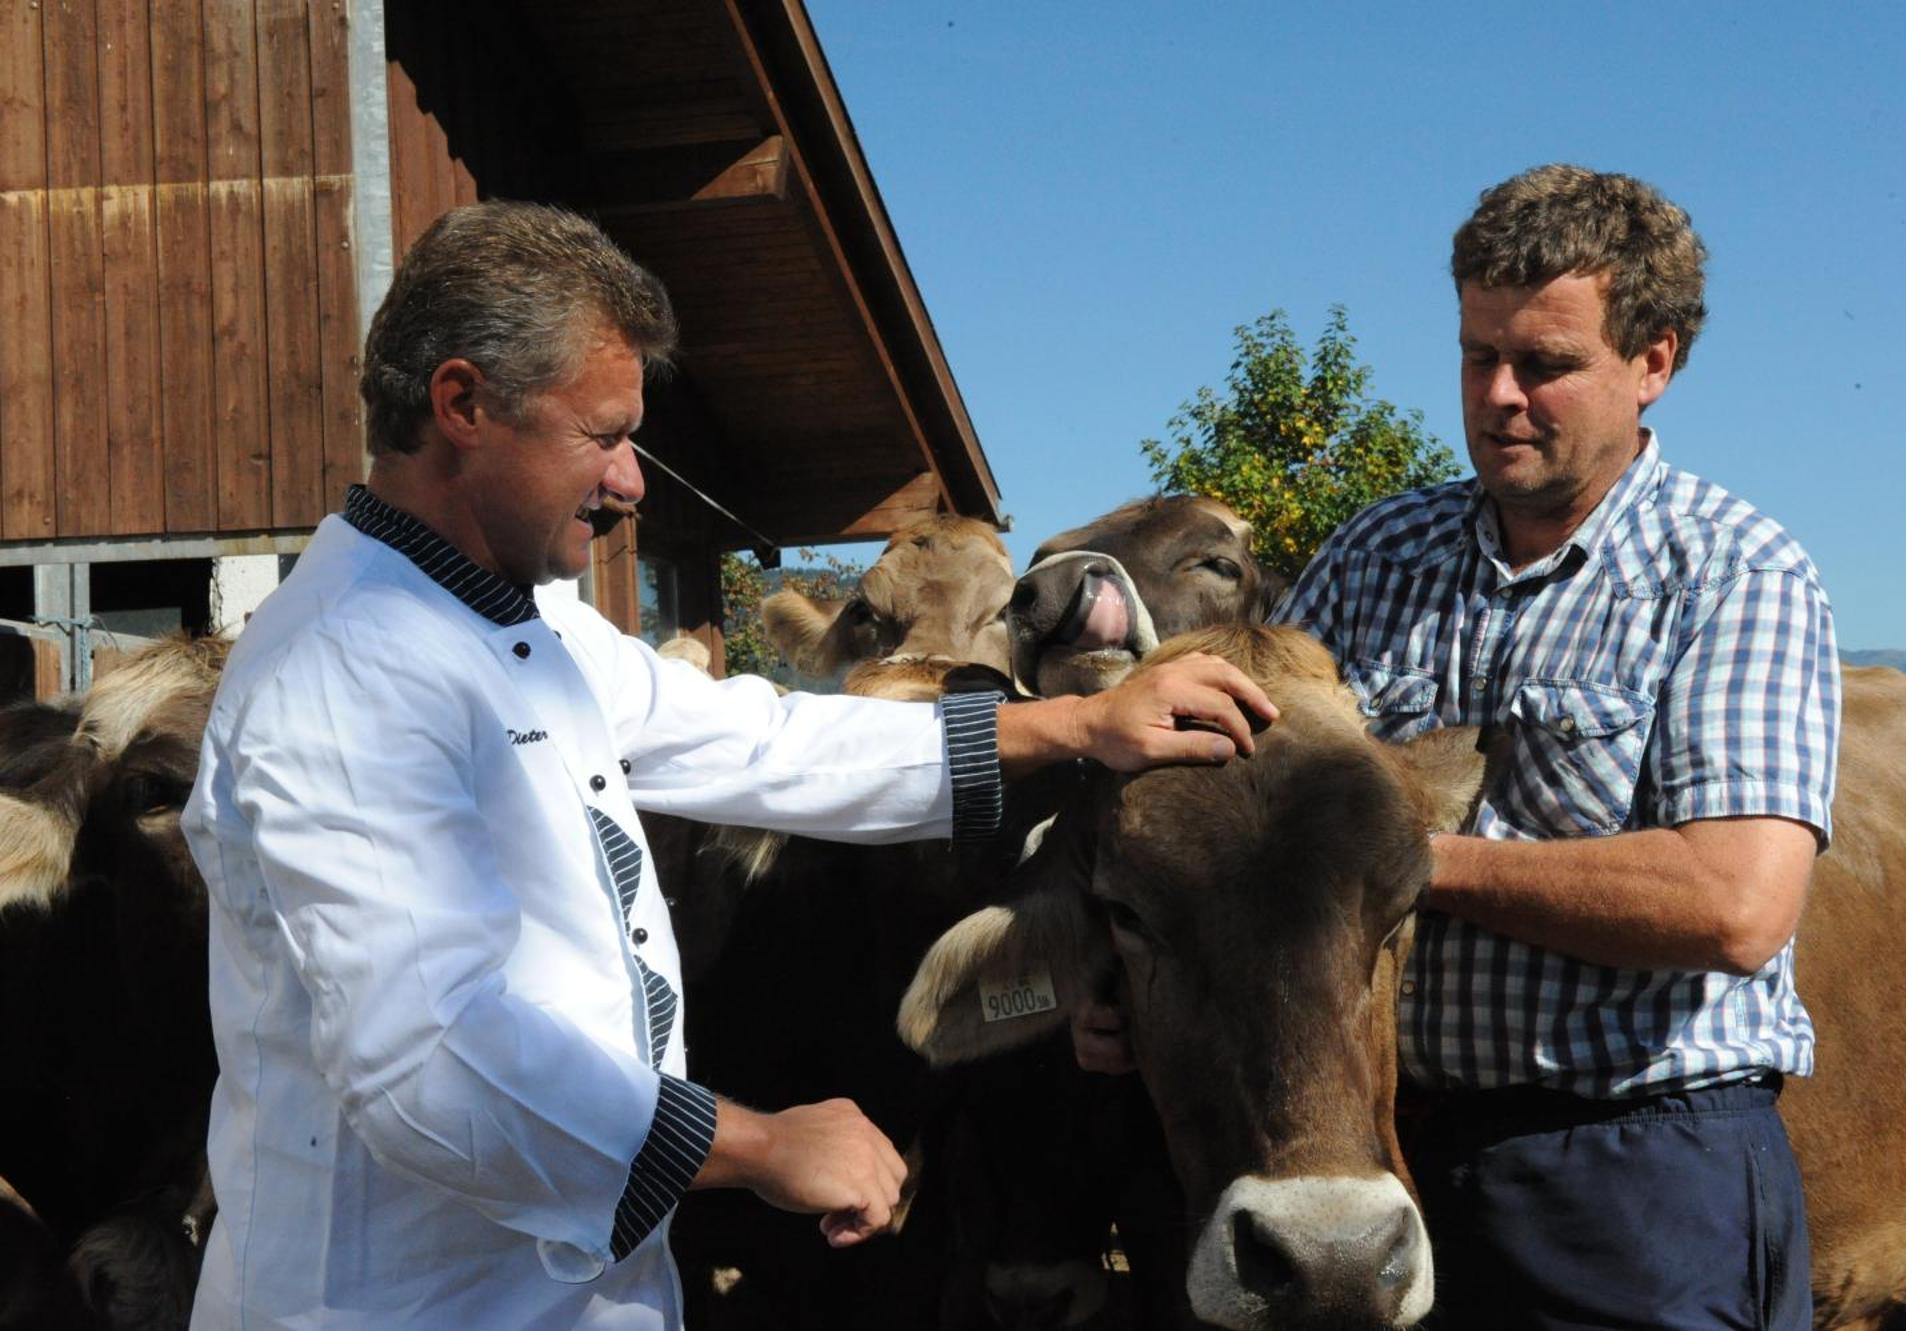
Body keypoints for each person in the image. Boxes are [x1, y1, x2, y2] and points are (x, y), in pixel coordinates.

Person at [181, 200, 1276, 1329]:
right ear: (461, 403)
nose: (629, 483)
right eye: (601, 435)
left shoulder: (521, 627)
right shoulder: (345, 669)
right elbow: (435, 1069)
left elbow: (756, 738)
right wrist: (758, 1143)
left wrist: (1075, 731)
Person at [1276, 164, 1840, 1329]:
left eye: (1543, 362)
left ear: (1652, 362)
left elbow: (1733, 901)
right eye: (1476, 352)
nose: (1496, 394)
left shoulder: (1732, 570)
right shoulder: (1375, 553)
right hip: (1382, 1154)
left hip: (1635, 1180)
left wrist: (1413, 856)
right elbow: (1248, 816)